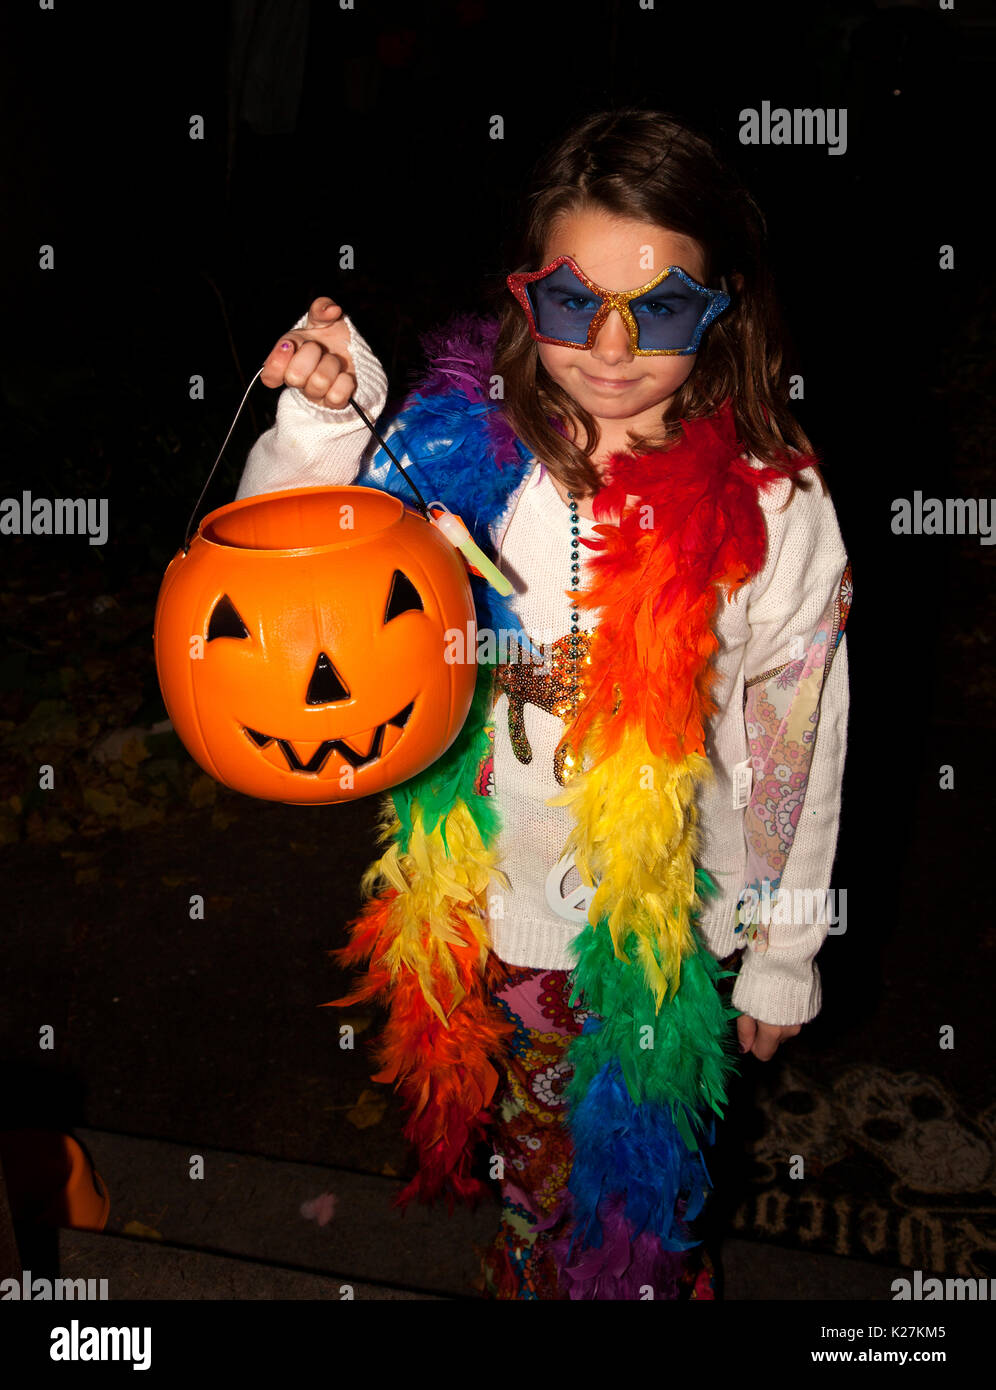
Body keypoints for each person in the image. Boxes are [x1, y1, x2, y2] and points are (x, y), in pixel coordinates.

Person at [234, 108, 852, 1300]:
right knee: (536, 1178)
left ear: (721, 310)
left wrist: (788, 945)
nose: (611, 345)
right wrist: (320, 413)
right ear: (527, 301)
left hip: (670, 931)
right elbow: (289, 565)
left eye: (661, 307)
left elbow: (800, 739)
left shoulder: (776, 501)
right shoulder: (465, 451)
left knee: (636, 1208)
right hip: (489, 907)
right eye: (574, 303)